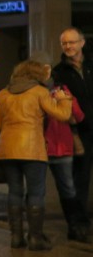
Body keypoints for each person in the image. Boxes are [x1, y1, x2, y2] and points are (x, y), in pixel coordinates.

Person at [0, 59, 72, 250]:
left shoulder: (2, 94)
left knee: (15, 191)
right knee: (35, 192)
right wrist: (64, 99)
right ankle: (35, 238)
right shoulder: (40, 92)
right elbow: (62, 115)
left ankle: (16, 237)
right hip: (32, 149)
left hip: (7, 150)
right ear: (37, 75)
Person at [52, 27, 93, 240]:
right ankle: (78, 223)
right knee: (79, 180)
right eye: (65, 43)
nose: (68, 47)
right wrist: (75, 132)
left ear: (82, 43)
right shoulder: (59, 72)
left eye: (72, 42)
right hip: (78, 133)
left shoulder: (90, 66)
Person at [45, 75, 87, 243]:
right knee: (37, 190)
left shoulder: (63, 91)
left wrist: (67, 99)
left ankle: (75, 226)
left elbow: (79, 116)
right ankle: (34, 231)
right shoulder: (35, 93)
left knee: (68, 189)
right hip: (42, 148)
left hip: (61, 148)